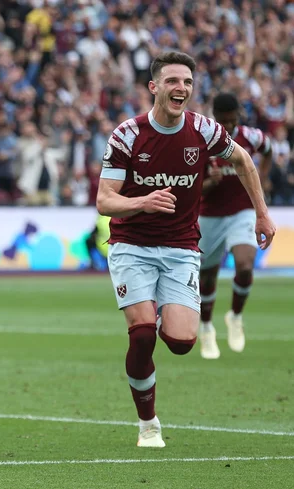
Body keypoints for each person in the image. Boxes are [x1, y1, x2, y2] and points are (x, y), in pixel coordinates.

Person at [95, 52, 275, 448]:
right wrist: (142, 201)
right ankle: (148, 424)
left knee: (180, 342)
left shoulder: (204, 131)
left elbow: (244, 159)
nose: (182, 89)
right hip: (132, 246)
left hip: (180, 248)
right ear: (154, 87)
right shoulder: (127, 134)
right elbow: (105, 201)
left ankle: (163, 310)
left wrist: (262, 213)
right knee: (142, 336)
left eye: (188, 83)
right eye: (173, 81)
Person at [196, 93, 273, 360]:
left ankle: (235, 316)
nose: (227, 126)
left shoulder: (251, 137)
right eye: (223, 121)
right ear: (214, 116)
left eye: (232, 121)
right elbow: (192, 188)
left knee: (244, 264)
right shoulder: (202, 140)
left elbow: (269, 150)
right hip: (210, 215)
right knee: (206, 275)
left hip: (242, 211)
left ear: (238, 116)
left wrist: (261, 175)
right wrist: (209, 182)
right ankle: (206, 326)